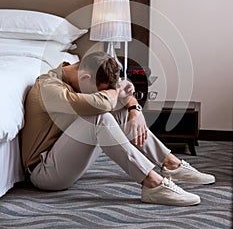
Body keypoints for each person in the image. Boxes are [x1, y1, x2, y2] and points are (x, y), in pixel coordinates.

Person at [20, 51, 215, 206]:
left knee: (122, 112)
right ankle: (152, 184)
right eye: (102, 90)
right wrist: (116, 93)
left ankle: (171, 164)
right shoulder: (49, 88)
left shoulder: (85, 78)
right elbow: (102, 104)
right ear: (85, 77)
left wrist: (134, 108)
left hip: (65, 158)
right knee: (100, 118)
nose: (104, 93)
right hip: (45, 172)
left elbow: (121, 98)